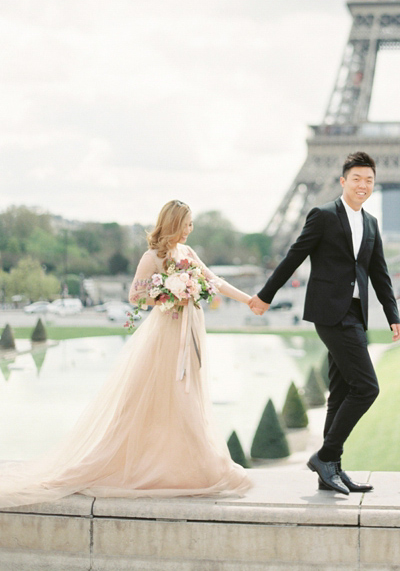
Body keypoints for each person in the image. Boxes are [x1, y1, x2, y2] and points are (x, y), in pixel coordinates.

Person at [0, 200, 257, 509]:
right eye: (187, 224)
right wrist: (171, 292)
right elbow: (136, 295)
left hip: (189, 330)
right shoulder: (152, 257)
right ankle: (163, 465)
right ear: (173, 223)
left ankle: (193, 466)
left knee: (188, 397)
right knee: (161, 397)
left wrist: (249, 301)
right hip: (166, 334)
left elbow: (214, 281)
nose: (190, 229)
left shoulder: (188, 254)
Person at [250, 151, 400, 495]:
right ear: (343, 181)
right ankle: (326, 455)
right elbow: (295, 256)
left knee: (344, 389)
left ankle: (331, 469)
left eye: (369, 181)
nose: (363, 185)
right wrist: (265, 295)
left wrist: (393, 315)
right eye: (357, 179)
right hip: (330, 313)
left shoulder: (371, 223)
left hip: (355, 314)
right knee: (367, 388)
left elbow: (379, 273)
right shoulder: (322, 215)